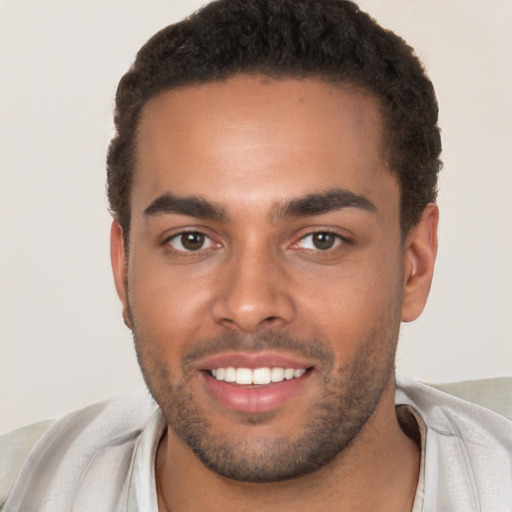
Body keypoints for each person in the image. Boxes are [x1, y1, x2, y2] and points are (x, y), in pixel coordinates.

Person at [1, 0, 511, 510]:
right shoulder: (22, 489)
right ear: (124, 268)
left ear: (414, 265)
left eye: (321, 240)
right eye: (191, 240)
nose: (248, 304)